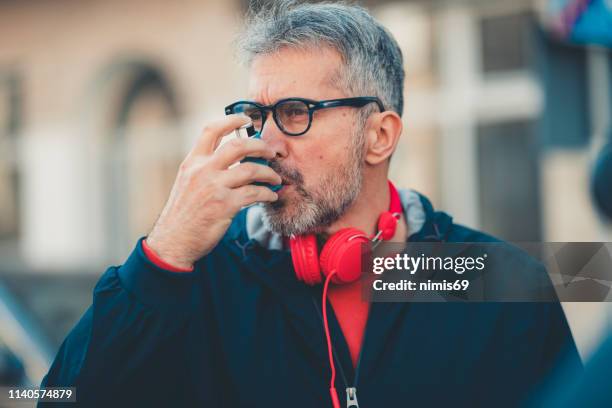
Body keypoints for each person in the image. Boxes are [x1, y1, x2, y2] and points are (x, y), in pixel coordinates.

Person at [39, 1, 581, 407]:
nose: (266, 142)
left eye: (296, 112)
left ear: (379, 136)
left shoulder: (502, 279)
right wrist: (163, 253)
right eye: (257, 115)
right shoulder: (192, 280)